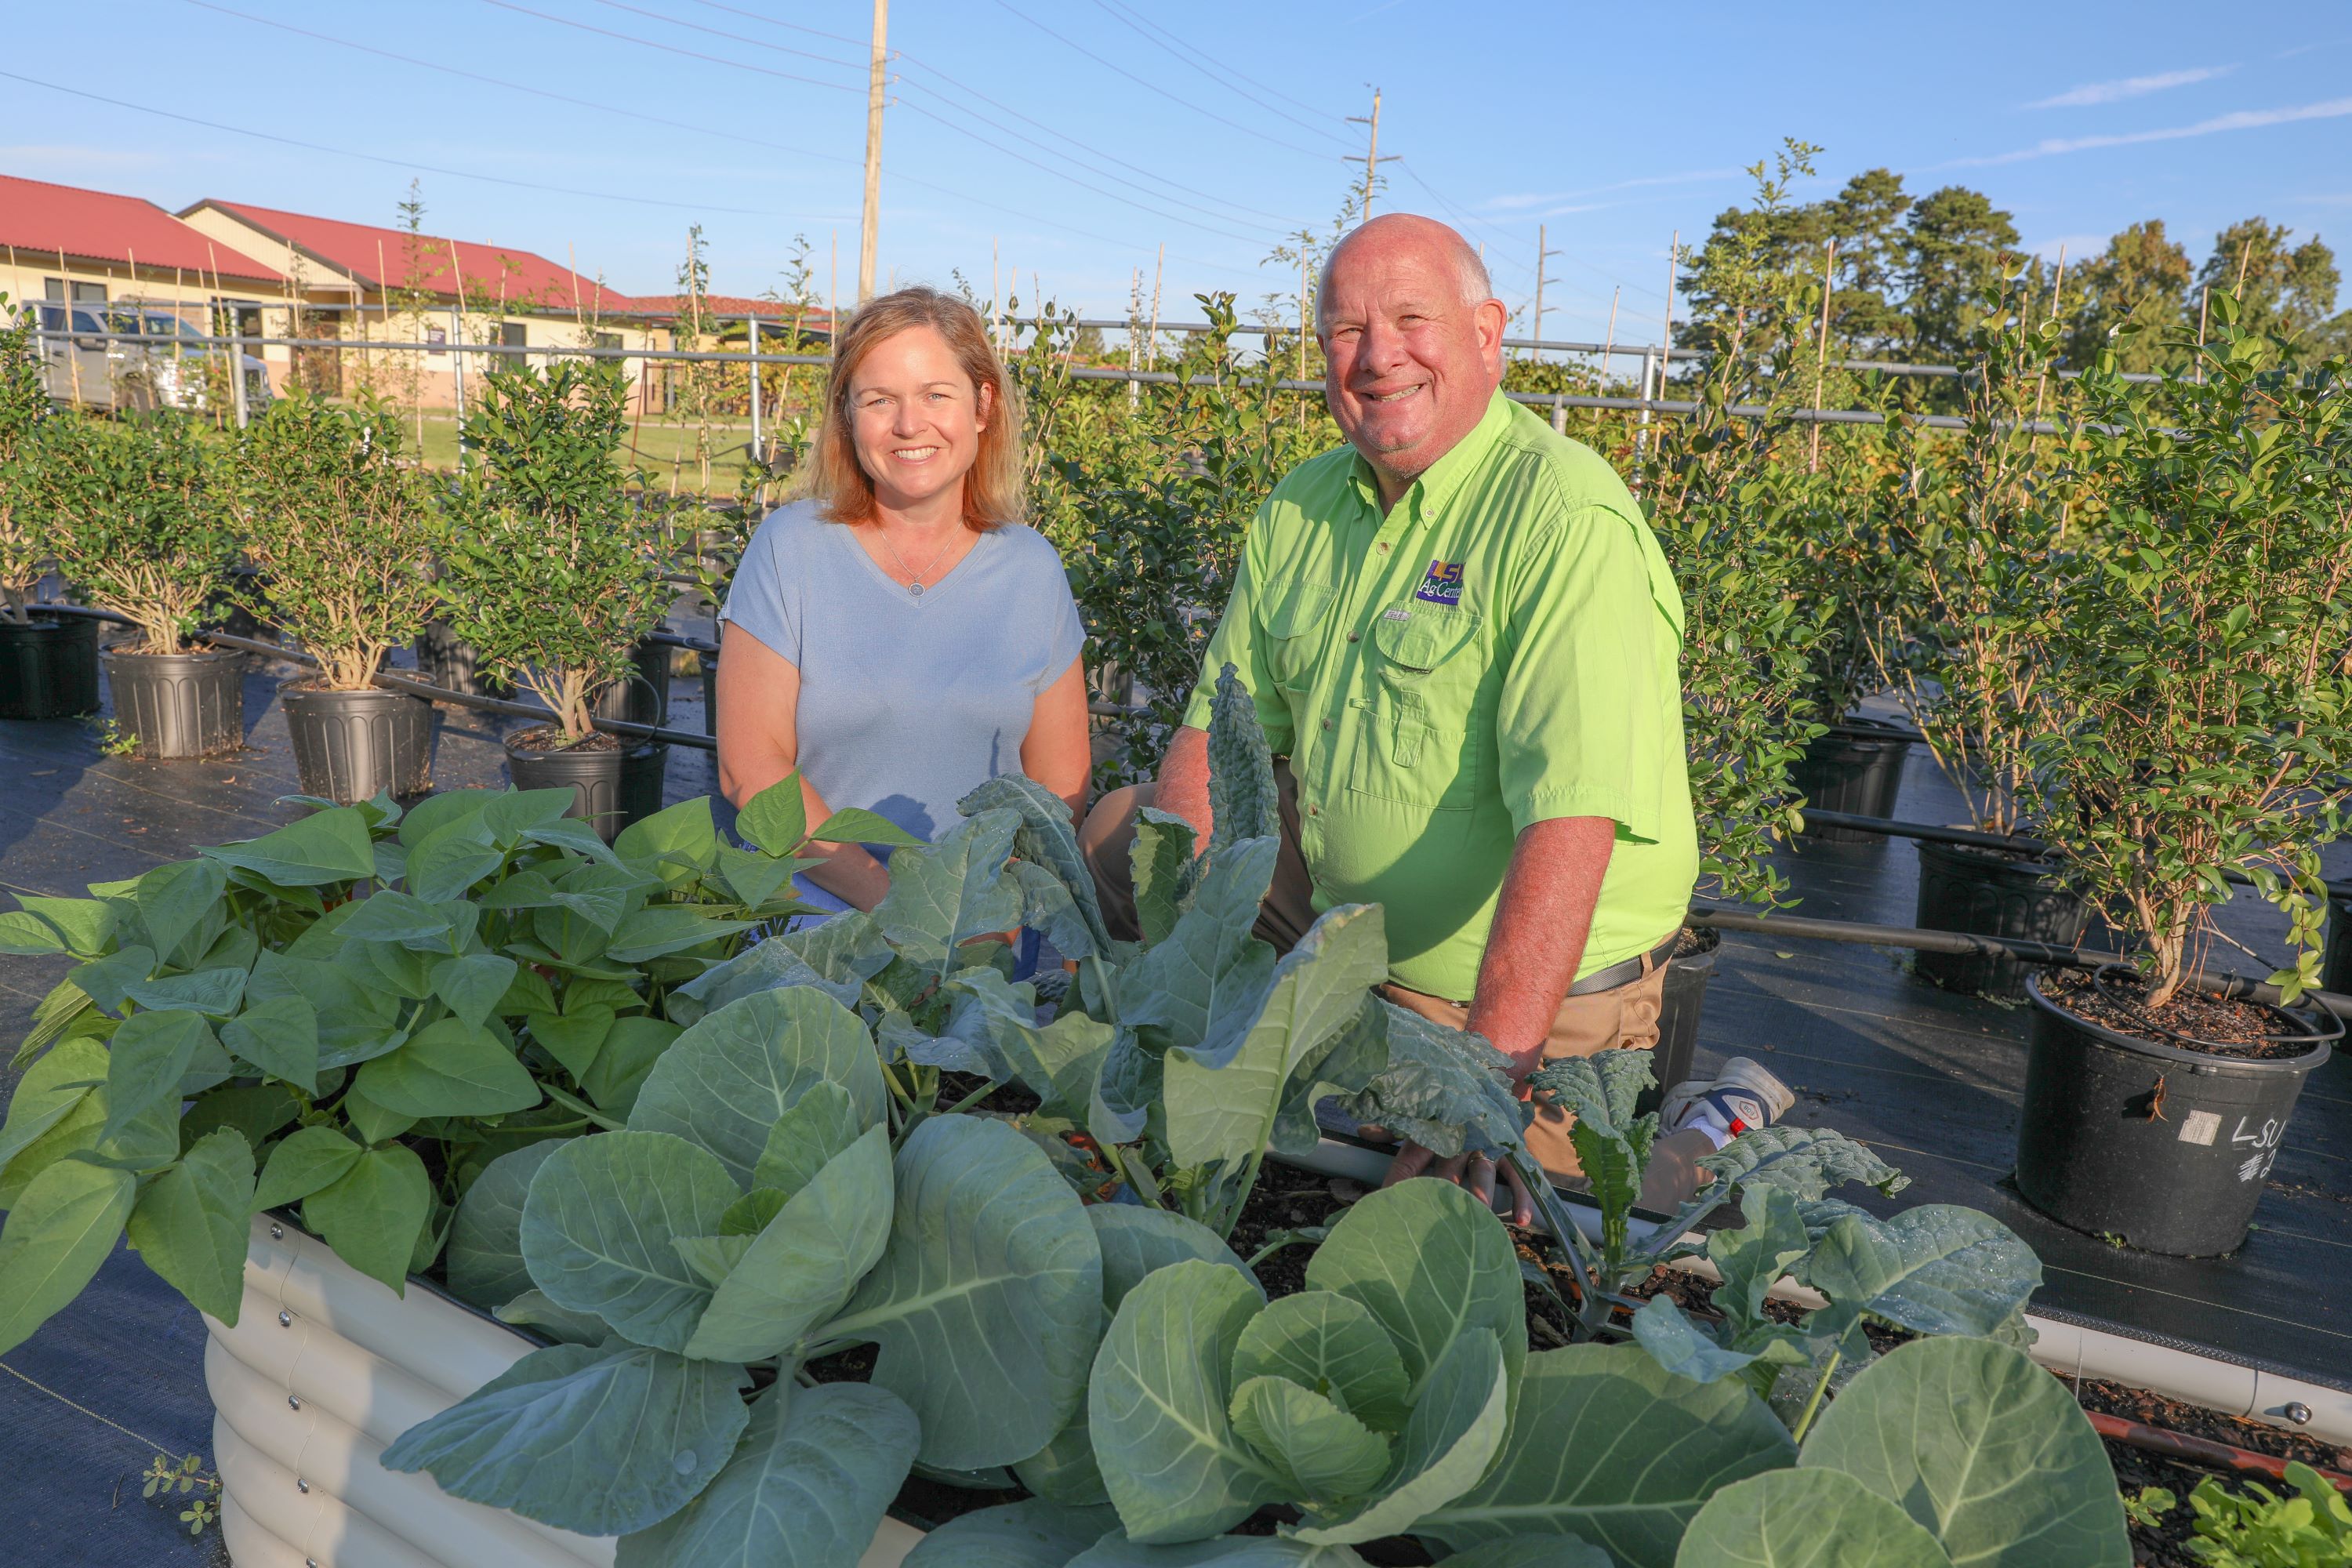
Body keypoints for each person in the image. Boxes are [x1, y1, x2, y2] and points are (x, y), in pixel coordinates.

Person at [1080, 215, 1790, 1224]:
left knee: (1534, 1209)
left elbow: (1570, 823)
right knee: (1125, 833)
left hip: (1519, 988)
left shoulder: (1563, 519)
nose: (1377, 358)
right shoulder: (1304, 503)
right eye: (1344, 331)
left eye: (1413, 319)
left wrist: (1482, 1082)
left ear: (1488, 333)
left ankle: (1712, 1123)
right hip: (1346, 926)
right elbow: (1210, 728)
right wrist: (1192, 952)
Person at [717, 286, 1090, 920]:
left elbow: (1058, 786)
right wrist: (898, 909)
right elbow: (749, 770)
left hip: (978, 924)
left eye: (935, 395)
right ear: (847, 416)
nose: (909, 425)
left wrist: (980, 908)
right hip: (816, 912)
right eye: (879, 400)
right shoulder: (791, 550)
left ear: (983, 405)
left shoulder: (1032, 569)